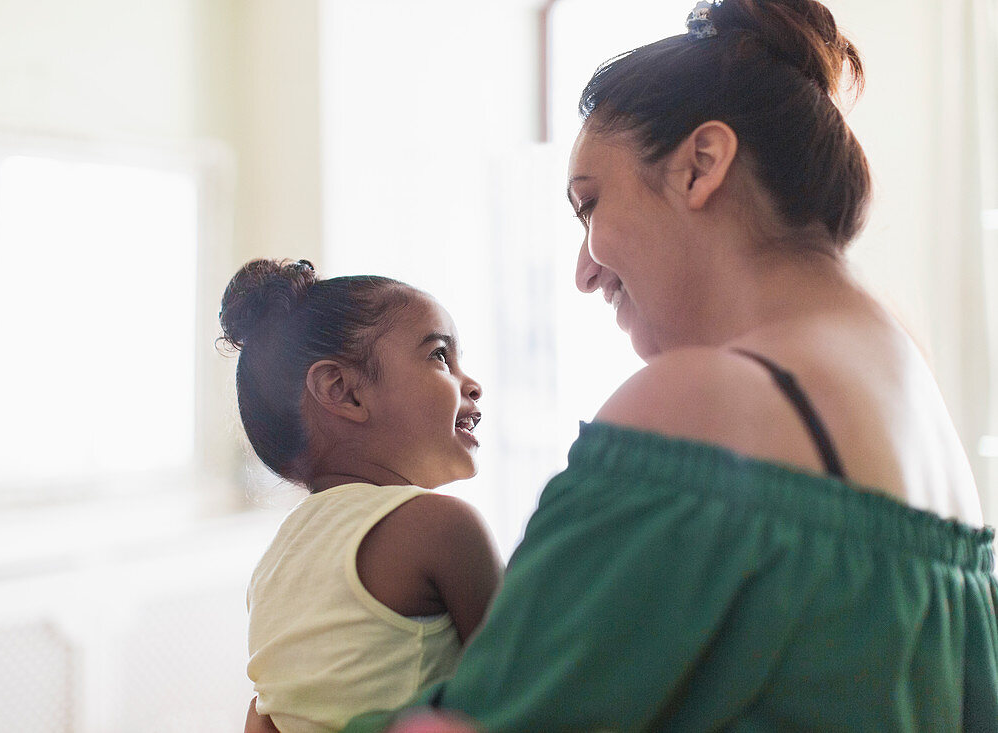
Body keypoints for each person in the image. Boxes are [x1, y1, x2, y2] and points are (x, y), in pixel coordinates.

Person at [344, 0, 998, 729]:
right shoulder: (919, 411)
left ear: (701, 165)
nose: (584, 272)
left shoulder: (710, 403)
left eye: (590, 204)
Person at [219, 259, 504, 733]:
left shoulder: (273, 568)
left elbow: (263, 718)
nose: (471, 383)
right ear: (343, 391)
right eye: (439, 356)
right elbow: (524, 689)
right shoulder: (441, 526)